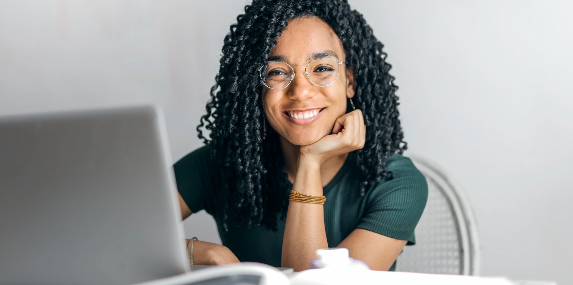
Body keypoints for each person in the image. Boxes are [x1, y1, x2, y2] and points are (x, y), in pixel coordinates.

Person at [173, 0, 428, 272]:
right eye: (277, 72)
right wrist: (211, 253)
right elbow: (123, 231)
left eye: (322, 68)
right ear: (256, 88)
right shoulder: (221, 164)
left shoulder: (395, 183)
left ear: (350, 82)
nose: (301, 91)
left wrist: (310, 161)